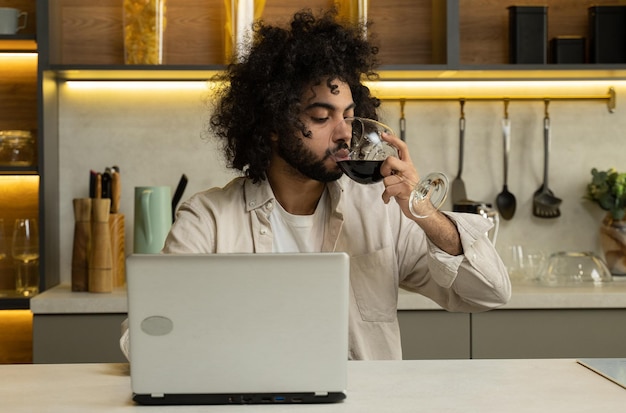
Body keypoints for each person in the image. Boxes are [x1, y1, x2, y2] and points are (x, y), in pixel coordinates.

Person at [122, 8, 510, 361]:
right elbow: (142, 338)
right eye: (322, 117)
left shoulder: (383, 211)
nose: (344, 134)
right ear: (273, 125)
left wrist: (423, 212)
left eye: (350, 116)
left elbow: (489, 292)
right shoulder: (210, 219)